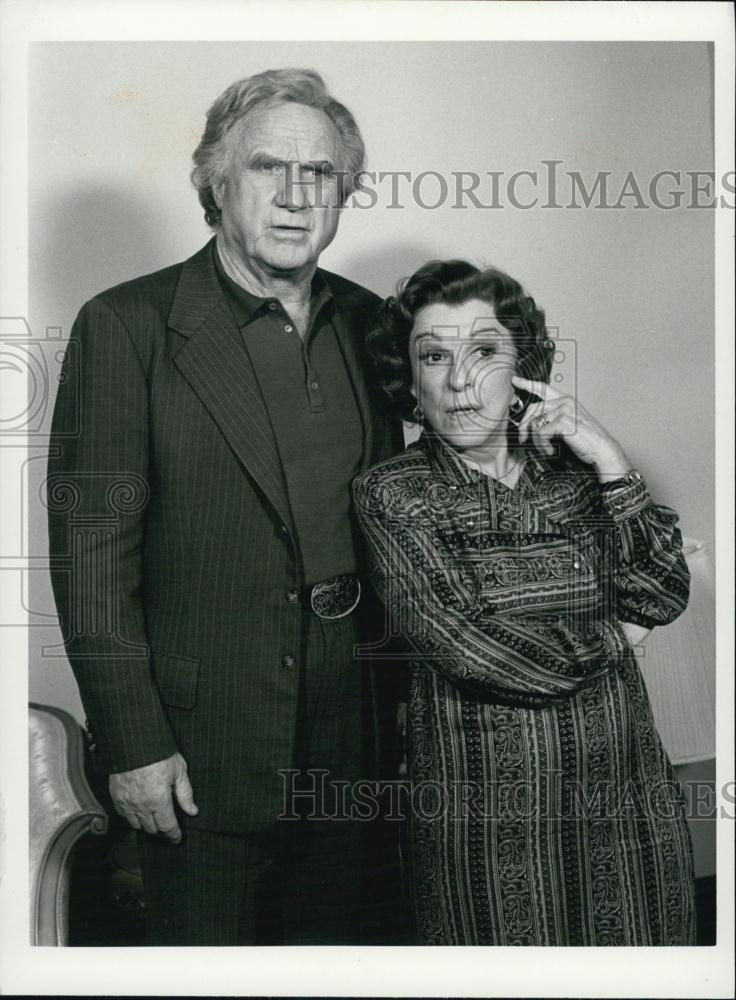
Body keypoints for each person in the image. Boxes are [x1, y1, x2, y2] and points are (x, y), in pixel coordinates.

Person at [47, 68, 405, 945]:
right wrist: (133, 745)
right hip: (200, 757)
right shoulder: (127, 327)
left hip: (354, 744)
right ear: (215, 181)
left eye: (318, 175)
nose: (293, 199)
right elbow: (92, 562)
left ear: (343, 192)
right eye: (265, 169)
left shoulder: (374, 324)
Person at [352, 259, 696, 945]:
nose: (458, 381)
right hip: (490, 826)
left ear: (523, 369)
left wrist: (608, 458)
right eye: (434, 356)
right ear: (411, 380)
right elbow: (474, 648)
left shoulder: (574, 469)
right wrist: (619, 636)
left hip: (628, 806)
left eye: (484, 352)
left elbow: (663, 588)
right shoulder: (394, 492)